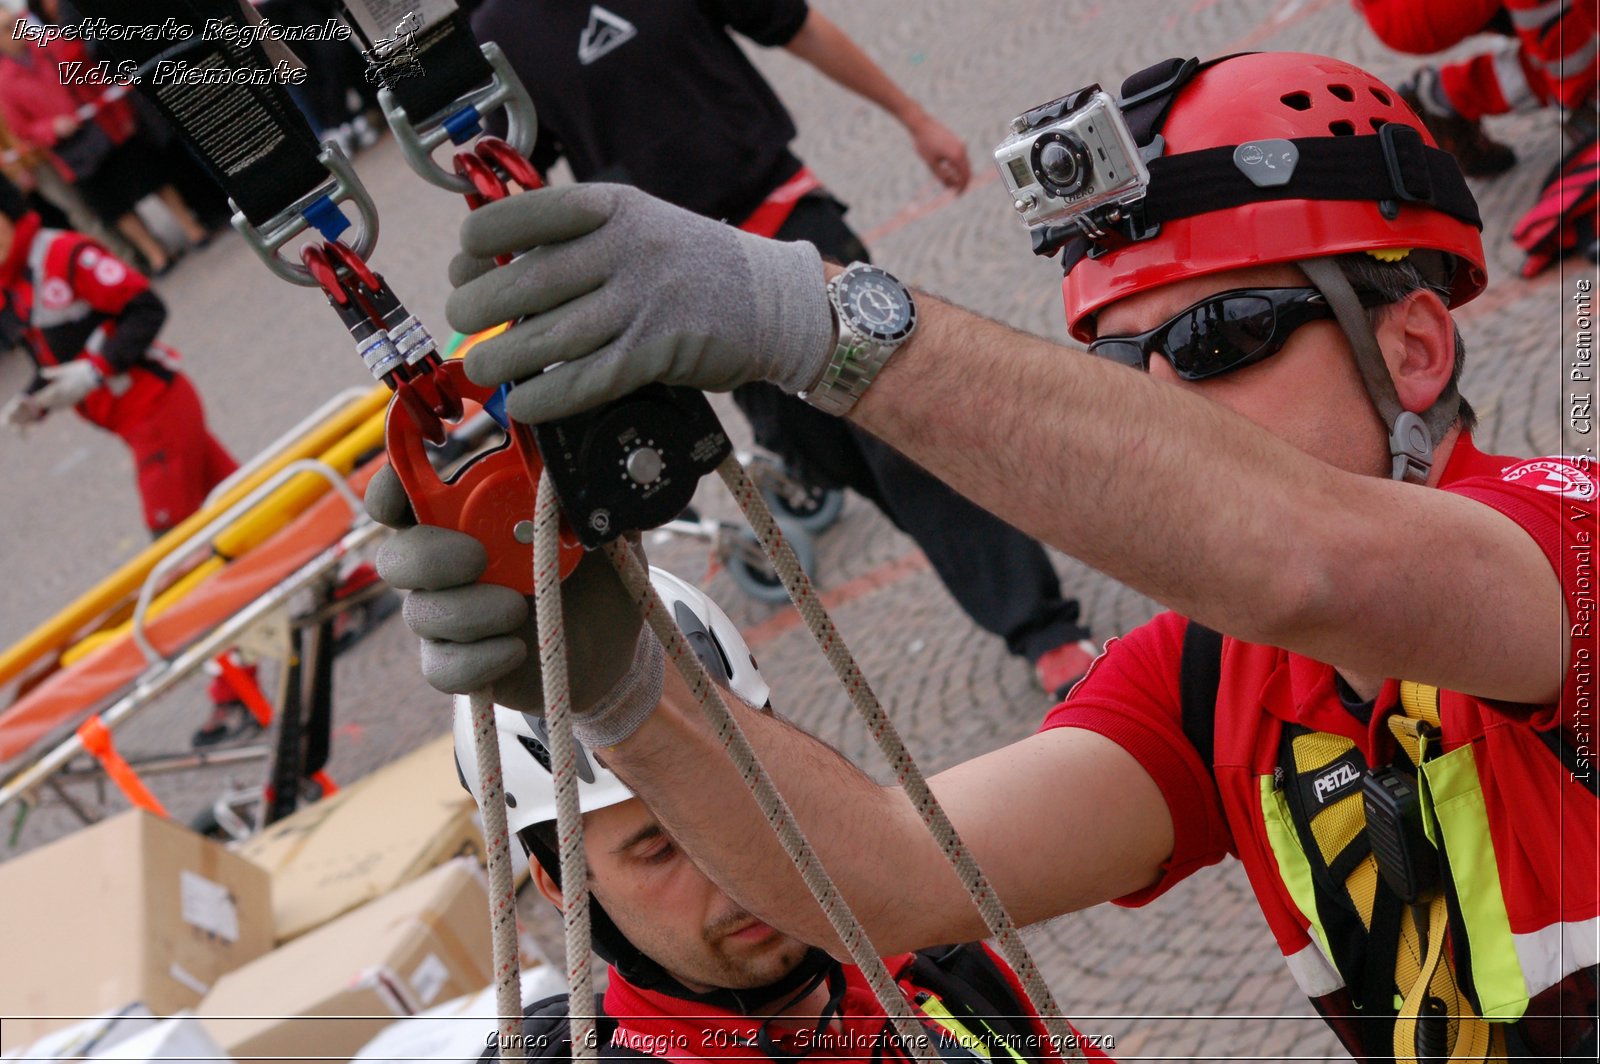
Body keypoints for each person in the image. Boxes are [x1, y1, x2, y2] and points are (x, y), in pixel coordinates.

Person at [374, 50, 1597, 1060]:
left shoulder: (1567, 538)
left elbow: (1309, 561)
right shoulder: (1210, 678)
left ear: (1418, 347)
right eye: (1121, 370)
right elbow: (889, 878)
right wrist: (625, 696)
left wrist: (807, 318)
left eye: (1222, 334)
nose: (1166, 401)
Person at [467, 0, 1100, 698]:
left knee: (901, 429)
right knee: (815, 449)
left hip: (786, 221)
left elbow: (800, 27)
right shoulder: (500, 30)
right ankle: (959, 521)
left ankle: (1043, 626)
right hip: (688, 280)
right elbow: (508, 170)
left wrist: (914, 118)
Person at [429, 562, 1107, 1062]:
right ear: (561, 886)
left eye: (739, 803)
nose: (732, 867)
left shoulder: (925, 950)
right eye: (660, 849)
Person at [0, 177, 254, 745]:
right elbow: (61, 355)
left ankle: (235, 693)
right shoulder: (13, 284)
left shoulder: (65, 255)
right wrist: (36, 402)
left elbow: (145, 307)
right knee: (253, 514)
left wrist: (95, 370)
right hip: (143, 422)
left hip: (158, 413)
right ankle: (345, 587)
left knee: (178, 565)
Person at [0, 7, 213, 275]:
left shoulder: (51, 43)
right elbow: (23, 129)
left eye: (15, 23)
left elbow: (92, 73)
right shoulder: (5, 82)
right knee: (114, 205)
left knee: (149, 176)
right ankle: (155, 253)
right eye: (7, 29)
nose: (16, 31)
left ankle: (191, 227)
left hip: (102, 125)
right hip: (70, 150)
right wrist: (51, 128)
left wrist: (121, 113)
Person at [1351, 0, 1599, 174]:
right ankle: (1583, 106)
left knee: (1580, 38)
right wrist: (1577, 98)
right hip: (1403, 9)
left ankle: (1444, 94)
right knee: (1572, 48)